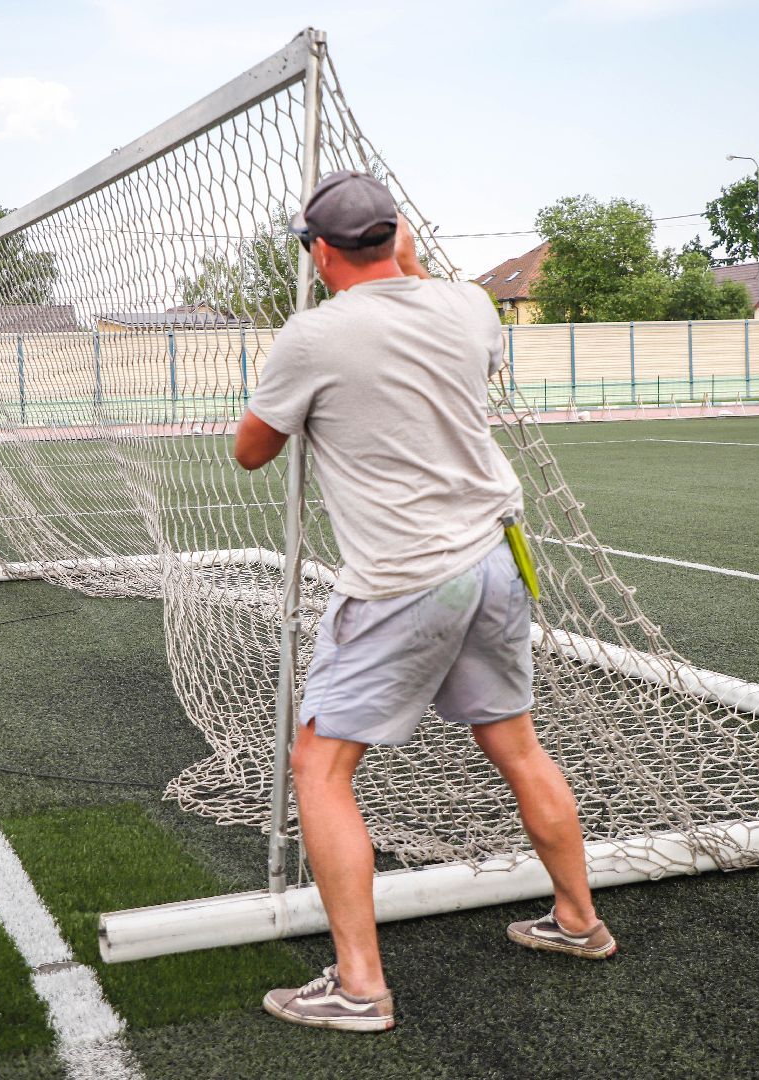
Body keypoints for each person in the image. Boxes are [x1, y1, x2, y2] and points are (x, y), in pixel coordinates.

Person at [233, 171, 613, 1034]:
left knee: (318, 767)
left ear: (320, 251)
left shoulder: (311, 336)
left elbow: (251, 451)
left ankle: (360, 985)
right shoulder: (469, 308)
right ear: (397, 234)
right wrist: (398, 249)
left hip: (404, 579)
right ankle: (580, 922)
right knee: (517, 744)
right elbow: (420, 283)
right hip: (493, 561)